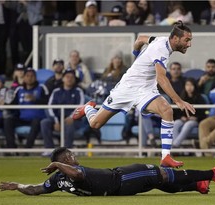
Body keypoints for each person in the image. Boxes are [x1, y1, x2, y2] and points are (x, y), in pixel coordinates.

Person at [73, 21, 196, 168]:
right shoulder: (160, 49)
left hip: (145, 89)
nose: (189, 44)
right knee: (95, 124)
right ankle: (88, 108)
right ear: (175, 38)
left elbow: (139, 39)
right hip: (126, 88)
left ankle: (166, 157)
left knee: (166, 110)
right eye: (187, 40)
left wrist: (137, 56)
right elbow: (161, 78)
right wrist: (179, 101)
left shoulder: (159, 39)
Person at [0, 147, 215, 196]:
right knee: (161, 174)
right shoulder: (69, 171)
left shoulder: (57, 180)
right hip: (121, 178)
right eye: (70, 155)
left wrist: (18, 186)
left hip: (120, 187)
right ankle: (213, 174)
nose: (74, 157)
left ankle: (197, 185)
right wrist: (58, 165)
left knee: (159, 183)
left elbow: (36, 190)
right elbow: (77, 175)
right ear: (65, 159)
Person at [41, 69, 85, 152]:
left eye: (72, 77)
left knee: (69, 125)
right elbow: (50, 107)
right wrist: (56, 121)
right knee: (44, 123)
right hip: (57, 119)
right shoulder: (56, 92)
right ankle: (49, 150)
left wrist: (72, 117)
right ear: (63, 79)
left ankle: (66, 151)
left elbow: (81, 106)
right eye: (67, 77)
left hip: (74, 120)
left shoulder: (78, 91)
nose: (69, 79)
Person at [5, 68, 49, 148]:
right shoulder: (19, 89)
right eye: (27, 76)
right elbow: (13, 105)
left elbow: (48, 102)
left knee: (36, 122)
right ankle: (11, 149)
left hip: (37, 119)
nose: (29, 78)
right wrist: (4, 104)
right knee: (8, 120)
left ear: (35, 77)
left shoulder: (42, 88)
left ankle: (27, 149)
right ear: (24, 78)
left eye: (32, 76)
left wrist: (35, 99)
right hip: (22, 118)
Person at [172, 78, 207, 148]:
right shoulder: (181, 98)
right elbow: (176, 112)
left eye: (191, 85)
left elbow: (203, 113)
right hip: (182, 119)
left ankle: (175, 146)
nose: (189, 87)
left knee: (188, 124)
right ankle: (176, 147)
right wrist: (181, 117)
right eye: (187, 85)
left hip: (194, 120)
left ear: (195, 86)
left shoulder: (200, 98)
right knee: (175, 124)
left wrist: (196, 118)